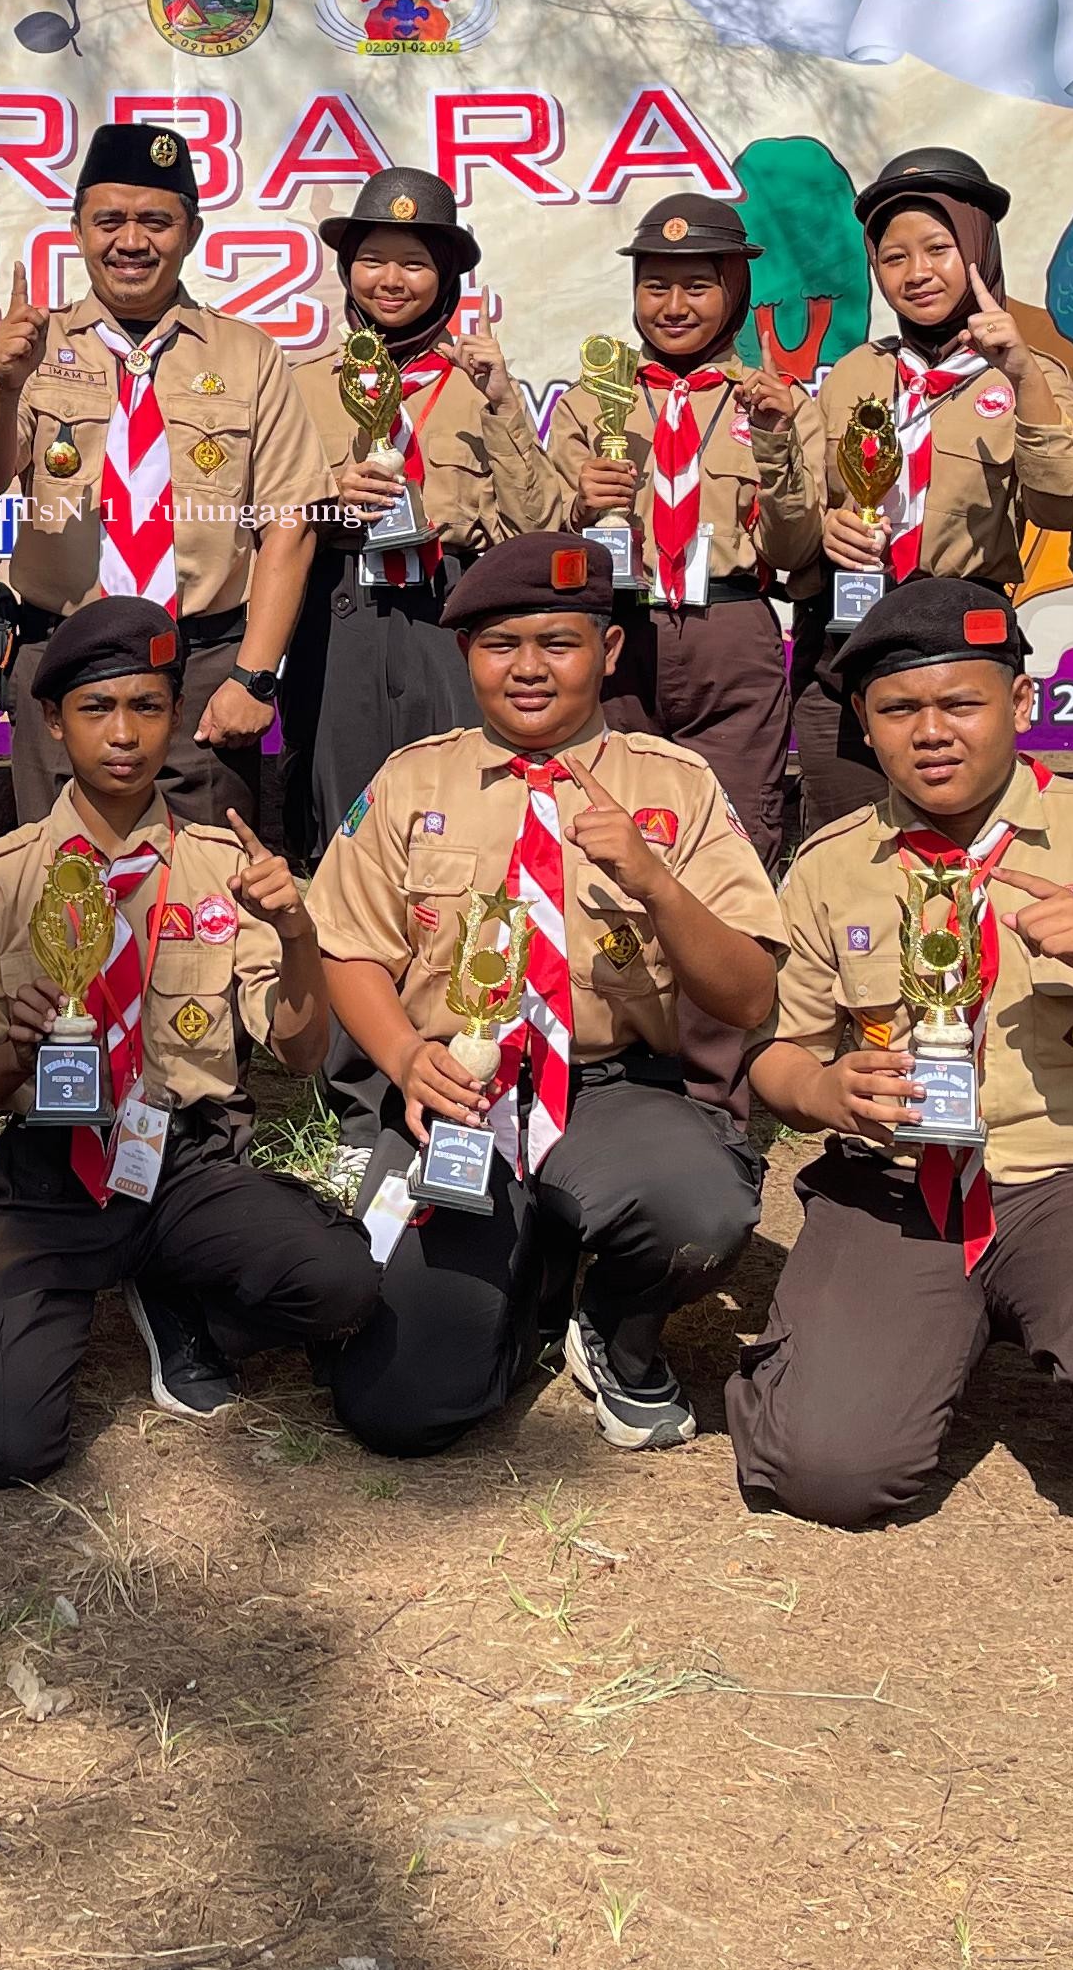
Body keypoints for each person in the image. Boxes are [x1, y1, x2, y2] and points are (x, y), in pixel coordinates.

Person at [733, 579, 1073, 1525]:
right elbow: (778, 1056)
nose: (930, 732)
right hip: (898, 1190)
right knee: (826, 1474)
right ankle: (921, 1331)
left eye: (961, 702)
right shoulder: (830, 865)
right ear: (864, 721)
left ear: (1021, 705)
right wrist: (825, 1091)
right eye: (899, 709)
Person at [303, 534, 788, 1457]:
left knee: (699, 1212)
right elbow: (351, 949)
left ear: (606, 652)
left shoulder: (673, 786)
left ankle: (615, 1322)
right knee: (399, 1407)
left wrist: (655, 882)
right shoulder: (414, 783)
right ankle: (524, 1287)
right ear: (465, 656)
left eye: (558, 643)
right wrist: (406, 1057)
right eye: (500, 645)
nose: (528, 670)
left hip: (609, 1094)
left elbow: (748, 992)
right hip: (454, 1098)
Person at [0, 600, 377, 1485]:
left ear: (177, 716)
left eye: (148, 707)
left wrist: (296, 937)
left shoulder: (221, 867)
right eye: (96, 709)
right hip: (55, 1172)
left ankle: (180, 1287)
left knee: (343, 1282)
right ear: (52, 722)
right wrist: (18, 1050)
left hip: (187, 1163)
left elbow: (298, 1052)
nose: (123, 734)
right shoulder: (6, 874)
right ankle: (39, 1282)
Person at [285, 170, 559, 1173]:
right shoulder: (302, 382)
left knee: (461, 844)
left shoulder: (485, 381)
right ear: (346, 272)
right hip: (343, 621)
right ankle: (357, 1099)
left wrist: (497, 400)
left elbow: (540, 523)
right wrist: (327, 495)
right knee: (349, 850)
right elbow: (257, 519)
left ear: (449, 273)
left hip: (450, 624)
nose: (390, 277)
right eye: (371, 259)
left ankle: (472, 1065)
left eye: (413, 260)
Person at [0, 122, 329, 830]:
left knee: (209, 899)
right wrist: (4, 386)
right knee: (60, 895)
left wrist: (253, 677)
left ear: (192, 230)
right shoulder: (34, 344)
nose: (131, 241)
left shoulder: (249, 357)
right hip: (60, 661)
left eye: (155, 220)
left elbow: (291, 523)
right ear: (77, 230)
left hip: (203, 668)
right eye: (110, 221)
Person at [797, 147, 1073, 826]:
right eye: (894, 258)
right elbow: (809, 507)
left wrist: (1021, 378)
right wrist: (826, 527)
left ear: (978, 250)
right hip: (846, 642)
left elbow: (1066, 505)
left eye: (938, 248)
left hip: (962, 645)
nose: (917, 273)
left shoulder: (1033, 373)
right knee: (848, 852)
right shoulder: (851, 374)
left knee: (965, 852)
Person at [542, 193, 820, 872]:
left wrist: (777, 441)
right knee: (608, 832)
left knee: (733, 842)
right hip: (615, 640)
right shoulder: (590, 402)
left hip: (730, 636)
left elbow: (795, 550)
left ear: (735, 290)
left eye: (698, 286)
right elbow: (540, 537)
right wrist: (578, 509)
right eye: (655, 285)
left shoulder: (775, 402)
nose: (673, 306)